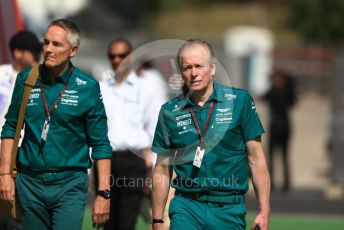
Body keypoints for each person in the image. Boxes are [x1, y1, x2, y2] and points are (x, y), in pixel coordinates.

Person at [0, 19, 112, 230]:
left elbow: (101, 144)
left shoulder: (87, 87)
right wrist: (4, 175)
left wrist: (103, 193)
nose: (48, 49)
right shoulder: (26, 79)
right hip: (29, 184)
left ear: (73, 50)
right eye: (46, 42)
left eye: (56, 44)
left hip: (70, 185)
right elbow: (10, 128)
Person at [151, 39, 270, 230]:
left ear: (212, 68)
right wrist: (157, 220)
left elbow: (256, 159)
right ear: (181, 73)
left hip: (228, 208)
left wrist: (264, 211)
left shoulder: (240, 101)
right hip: (186, 206)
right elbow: (162, 170)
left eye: (199, 66)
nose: (194, 73)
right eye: (187, 67)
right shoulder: (169, 111)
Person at [99, 38, 159, 230]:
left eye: (122, 55)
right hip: (106, 160)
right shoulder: (101, 88)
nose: (117, 60)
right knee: (106, 218)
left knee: (127, 219)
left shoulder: (146, 89)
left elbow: (153, 128)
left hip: (134, 161)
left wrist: (153, 166)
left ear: (131, 57)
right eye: (112, 56)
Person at [0, 30, 42, 230]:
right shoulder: (1, 75)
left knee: (18, 216)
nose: (37, 58)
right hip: (2, 151)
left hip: (23, 156)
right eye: (32, 53)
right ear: (17, 52)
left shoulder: (40, 79)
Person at [263, 71, 296, 192]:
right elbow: (264, 97)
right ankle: (270, 182)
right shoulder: (272, 90)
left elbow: (291, 102)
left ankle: (286, 184)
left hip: (284, 126)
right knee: (271, 156)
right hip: (274, 125)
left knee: (284, 156)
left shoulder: (286, 91)